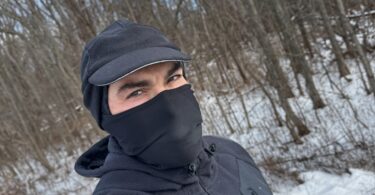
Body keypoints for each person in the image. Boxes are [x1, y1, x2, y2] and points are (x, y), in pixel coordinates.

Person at [75, 19, 273, 195]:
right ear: (104, 113)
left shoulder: (231, 154)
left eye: (173, 78)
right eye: (136, 92)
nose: (168, 105)